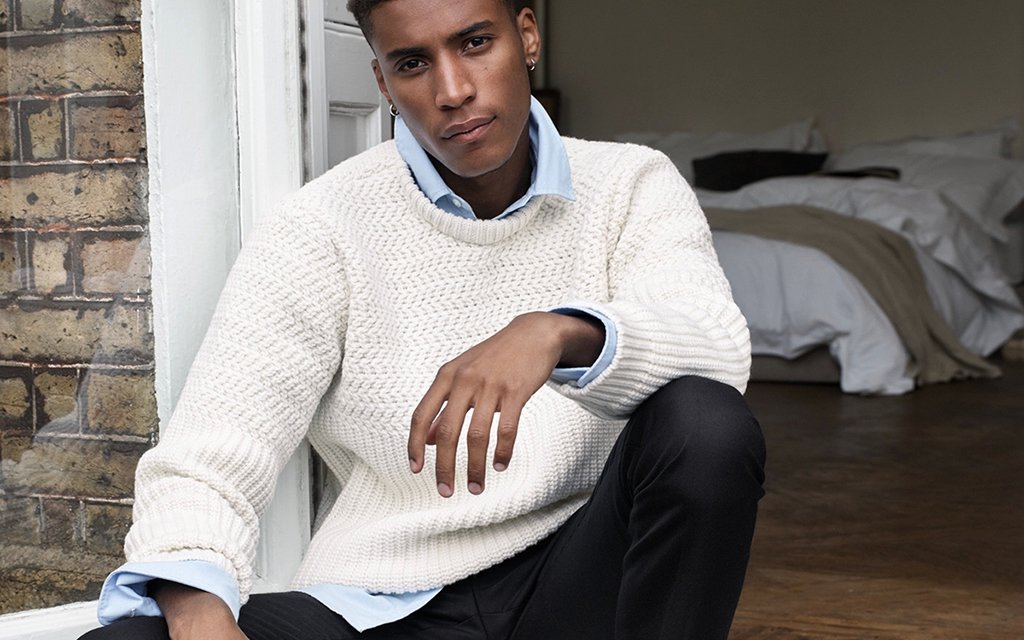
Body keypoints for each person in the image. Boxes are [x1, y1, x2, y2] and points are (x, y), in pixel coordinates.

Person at [82, 0, 765, 638]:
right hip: (388, 606)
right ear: (383, 82)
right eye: (413, 63)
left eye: (475, 43)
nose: (453, 90)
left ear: (527, 37)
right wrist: (199, 615)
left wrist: (558, 332)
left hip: (582, 581)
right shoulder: (322, 226)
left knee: (705, 424)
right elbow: (210, 456)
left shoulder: (630, 183)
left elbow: (715, 347)